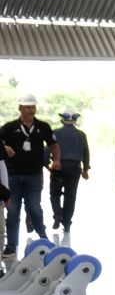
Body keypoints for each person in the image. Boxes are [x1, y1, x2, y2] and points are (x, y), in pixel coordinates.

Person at [2, 95, 55, 255]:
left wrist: (57, 160)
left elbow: (54, 144)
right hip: (13, 177)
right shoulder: (9, 127)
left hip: (34, 176)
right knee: (12, 211)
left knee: (34, 208)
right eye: (27, 107)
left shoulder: (43, 126)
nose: (30, 110)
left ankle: (43, 238)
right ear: (20, 108)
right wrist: (4, 148)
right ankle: (11, 245)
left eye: (32, 107)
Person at [48, 110, 88, 237]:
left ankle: (57, 214)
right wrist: (85, 169)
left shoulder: (55, 133)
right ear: (75, 120)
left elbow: (47, 149)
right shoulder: (81, 135)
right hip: (74, 168)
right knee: (70, 196)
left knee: (55, 193)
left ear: (62, 120)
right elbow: (86, 152)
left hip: (58, 166)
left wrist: (47, 165)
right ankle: (66, 223)